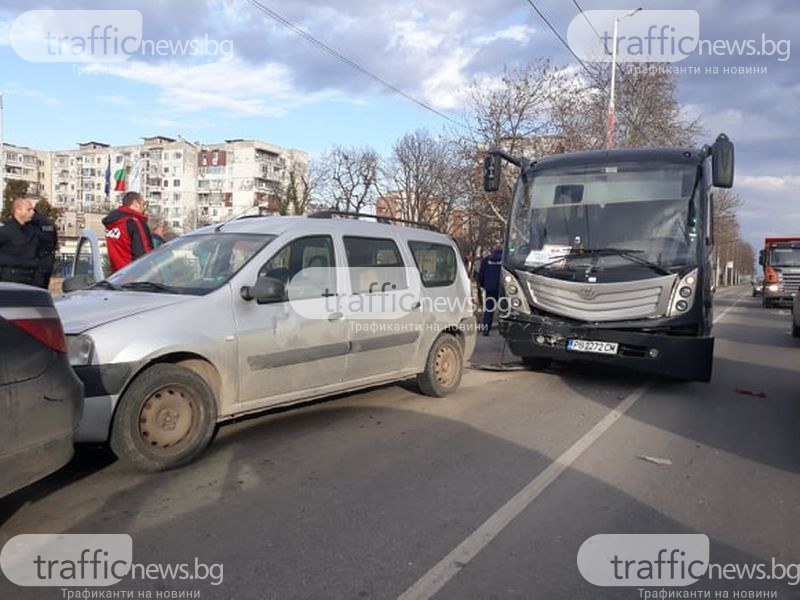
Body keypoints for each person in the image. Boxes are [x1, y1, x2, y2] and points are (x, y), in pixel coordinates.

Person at [102, 191, 154, 272]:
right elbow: (144, 255)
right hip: (133, 277)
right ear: (135, 203)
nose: (145, 209)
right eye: (144, 204)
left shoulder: (112, 223)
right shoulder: (134, 222)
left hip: (117, 276)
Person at [0, 197, 41, 286]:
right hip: (9, 279)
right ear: (18, 211)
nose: (32, 212)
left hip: (31, 279)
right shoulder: (5, 232)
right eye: (29, 210)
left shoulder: (34, 232)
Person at [478, 246, 503, 335]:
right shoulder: (504, 260)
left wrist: (482, 285)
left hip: (489, 288)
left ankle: (486, 329)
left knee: (489, 309)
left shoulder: (486, 260)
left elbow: (481, 273)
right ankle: (502, 329)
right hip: (502, 289)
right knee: (503, 310)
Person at [30, 208, 58, 290]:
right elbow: (54, 240)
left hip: (36, 259)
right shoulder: (48, 222)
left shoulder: (32, 223)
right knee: (43, 288)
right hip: (48, 258)